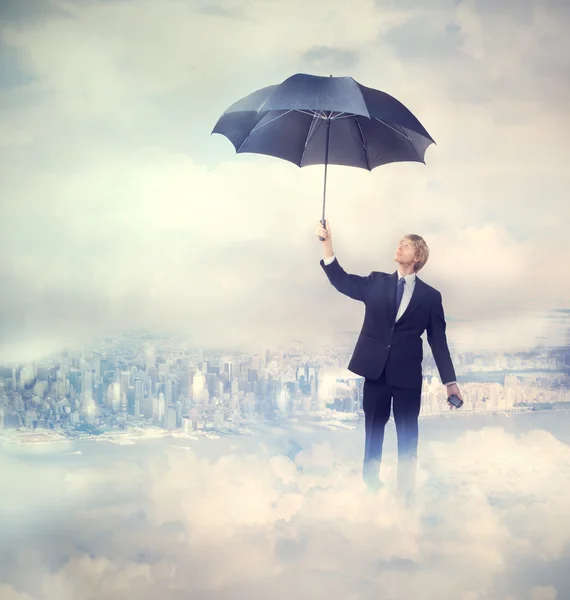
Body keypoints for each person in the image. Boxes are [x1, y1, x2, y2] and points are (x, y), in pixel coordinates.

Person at [316, 219, 462, 499]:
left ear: (417, 256)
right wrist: (327, 245)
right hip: (376, 374)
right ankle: (370, 484)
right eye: (400, 243)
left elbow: (438, 341)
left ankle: (406, 491)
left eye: (405, 245)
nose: (399, 247)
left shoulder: (431, 297)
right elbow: (341, 280)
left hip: (407, 378)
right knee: (373, 431)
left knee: (408, 436)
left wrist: (450, 382)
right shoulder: (376, 282)